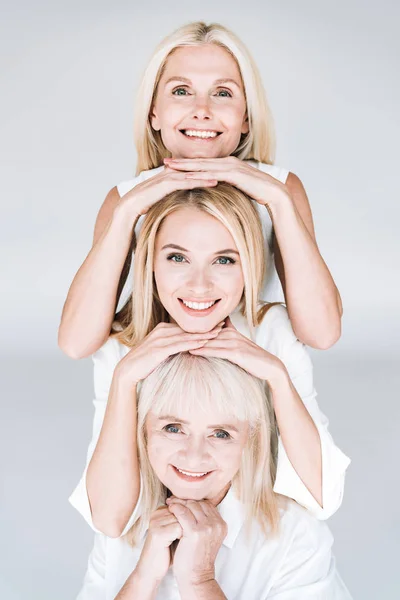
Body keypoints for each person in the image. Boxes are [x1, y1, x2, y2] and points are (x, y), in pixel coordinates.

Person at [69, 184, 350, 548]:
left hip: (254, 546)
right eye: (177, 258)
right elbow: (109, 519)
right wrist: (125, 379)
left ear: (249, 266)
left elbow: (324, 497)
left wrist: (276, 376)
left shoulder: (271, 330)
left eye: (224, 260)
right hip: (150, 553)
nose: (199, 285)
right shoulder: (123, 344)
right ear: (150, 263)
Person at [58, 21, 343, 360]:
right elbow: (76, 343)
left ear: (246, 118)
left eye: (222, 93)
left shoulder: (280, 188)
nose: (202, 110)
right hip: (164, 396)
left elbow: (322, 333)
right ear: (154, 113)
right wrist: (126, 213)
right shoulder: (127, 200)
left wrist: (278, 200)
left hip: (260, 395)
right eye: (181, 91)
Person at [74, 352, 352, 599]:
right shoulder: (122, 521)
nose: (194, 456)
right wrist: (142, 579)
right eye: (173, 428)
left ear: (249, 441)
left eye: (221, 434)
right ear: (144, 432)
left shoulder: (295, 534)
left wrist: (199, 580)